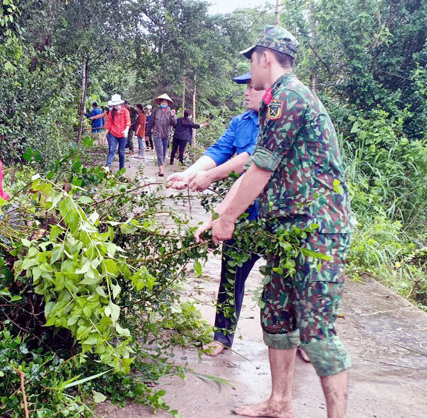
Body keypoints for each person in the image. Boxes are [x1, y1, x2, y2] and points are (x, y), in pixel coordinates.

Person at [194, 27, 354, 418]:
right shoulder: (273, 103)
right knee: (277, 314)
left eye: (252, 59)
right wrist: (220, 217)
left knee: (317, 332)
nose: (251, 68)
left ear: (265, 57)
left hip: (316, 231)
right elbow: (254, 162)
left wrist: (227, 218)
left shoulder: (288, 96)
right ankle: (280, 402)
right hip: (286, 230)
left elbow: (261, 168)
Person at [168, 72, 262, 356]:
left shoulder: (279, 124)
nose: (246, 92)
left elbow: (249, 162)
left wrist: (209, 177)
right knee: (231, 276)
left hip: (277, 218)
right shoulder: (240, 123)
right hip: (242, 216)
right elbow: (219, 151)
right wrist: (189, 173)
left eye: (252, 86)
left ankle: (300, 338)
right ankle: (222, 336)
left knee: (289, 283)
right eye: (244, 87)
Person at [146, 94, 176, 176]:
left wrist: (173, 116)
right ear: (160, 102)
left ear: (168, 103)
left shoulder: (170, 112)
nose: (164, 103)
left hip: (166, 135)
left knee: (163, 151)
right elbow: (151, 122)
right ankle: (161, 169)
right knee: (159, 151)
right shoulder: (156, 111)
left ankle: (160, 167)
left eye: (165, 102)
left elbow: (174, 124)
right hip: (157, 134)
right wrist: (147, 133)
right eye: (162, 101)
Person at [104, 94, 131, 172]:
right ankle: (107, 166)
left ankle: (121, 170)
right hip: (113, 134)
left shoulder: (125, 111)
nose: (115, 106)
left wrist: (126, 130)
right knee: (112, 150)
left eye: (116, 104)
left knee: (121, 153)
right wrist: (104, 135)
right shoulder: (111, 112)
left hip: (123, 135)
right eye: (114, 105)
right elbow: (109, 124)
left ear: (120, 103)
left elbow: (128, 122)